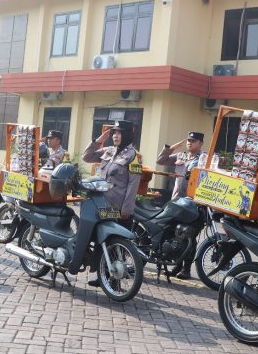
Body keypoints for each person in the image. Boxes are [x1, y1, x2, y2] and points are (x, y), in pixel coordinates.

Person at [82, 120, 142, 287]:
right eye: (114, 132)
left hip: (118, 208)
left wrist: (127, 209)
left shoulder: (133, 156)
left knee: (117, 246)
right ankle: (102, 276)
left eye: (120, 132)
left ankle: (114, 281)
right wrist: (99, 140)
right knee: (101, 242)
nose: (115, 135)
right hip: (101, 205)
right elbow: (86, 156)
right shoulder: (108, 151)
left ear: (128, 134)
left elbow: (133, 185)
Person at [155, 131, 207, 279]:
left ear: (200, 143)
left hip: (194, 204)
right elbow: (160, 160)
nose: (190, 143)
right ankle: (176, 265)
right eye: (188, 140)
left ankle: (186, 269)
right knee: (174, 234)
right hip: (177, 202)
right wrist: (171, 148)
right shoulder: (181, 156)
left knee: (190, 236)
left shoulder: (204, 158)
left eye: (194, 141)